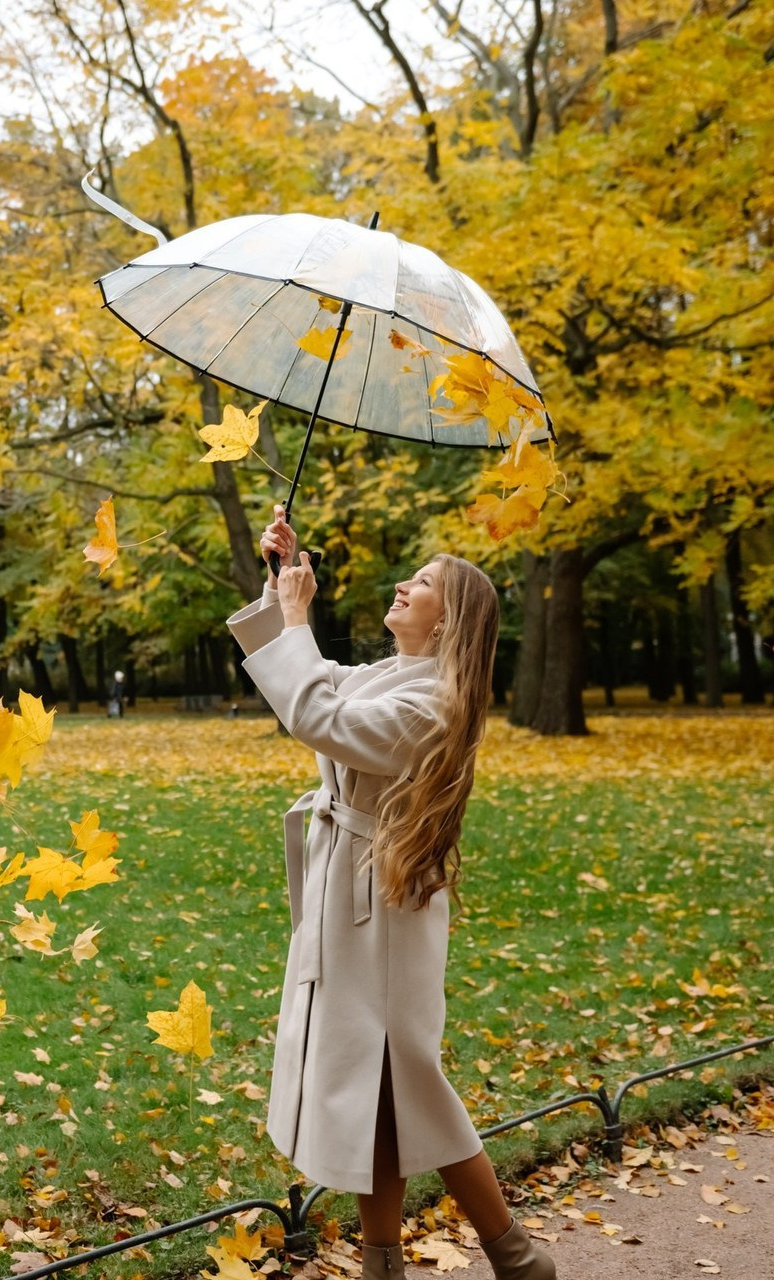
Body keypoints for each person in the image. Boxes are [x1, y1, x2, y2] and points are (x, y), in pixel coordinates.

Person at [227, 505, 555, 1280]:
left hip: (381, 909)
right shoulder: (393, 676)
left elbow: (315, 714)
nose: (406, 585)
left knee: (404, 1076)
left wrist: (298, 615)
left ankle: (512, 1252)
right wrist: (284, 587)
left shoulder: (434, 701)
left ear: (452, 624)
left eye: (426, 584)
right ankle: (405, 1264)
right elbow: (320, 686)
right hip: (353, 895)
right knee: (377, 1089)